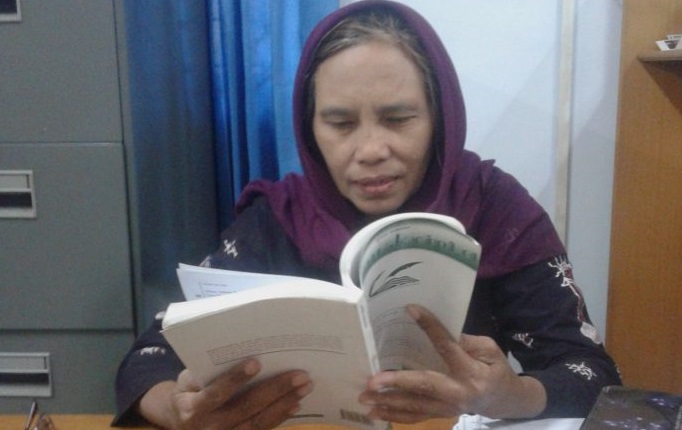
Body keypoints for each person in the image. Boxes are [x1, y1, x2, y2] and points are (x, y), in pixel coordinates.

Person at [113, 1, 621, 428]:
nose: (371, 150)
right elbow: (149, 358)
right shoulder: (278, 217)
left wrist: (506, 396)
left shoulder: (494, 208)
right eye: (340, 123)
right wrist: (177, 409)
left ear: (439, 117)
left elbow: (592, 375)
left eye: (398, 119)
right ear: (309, 128)